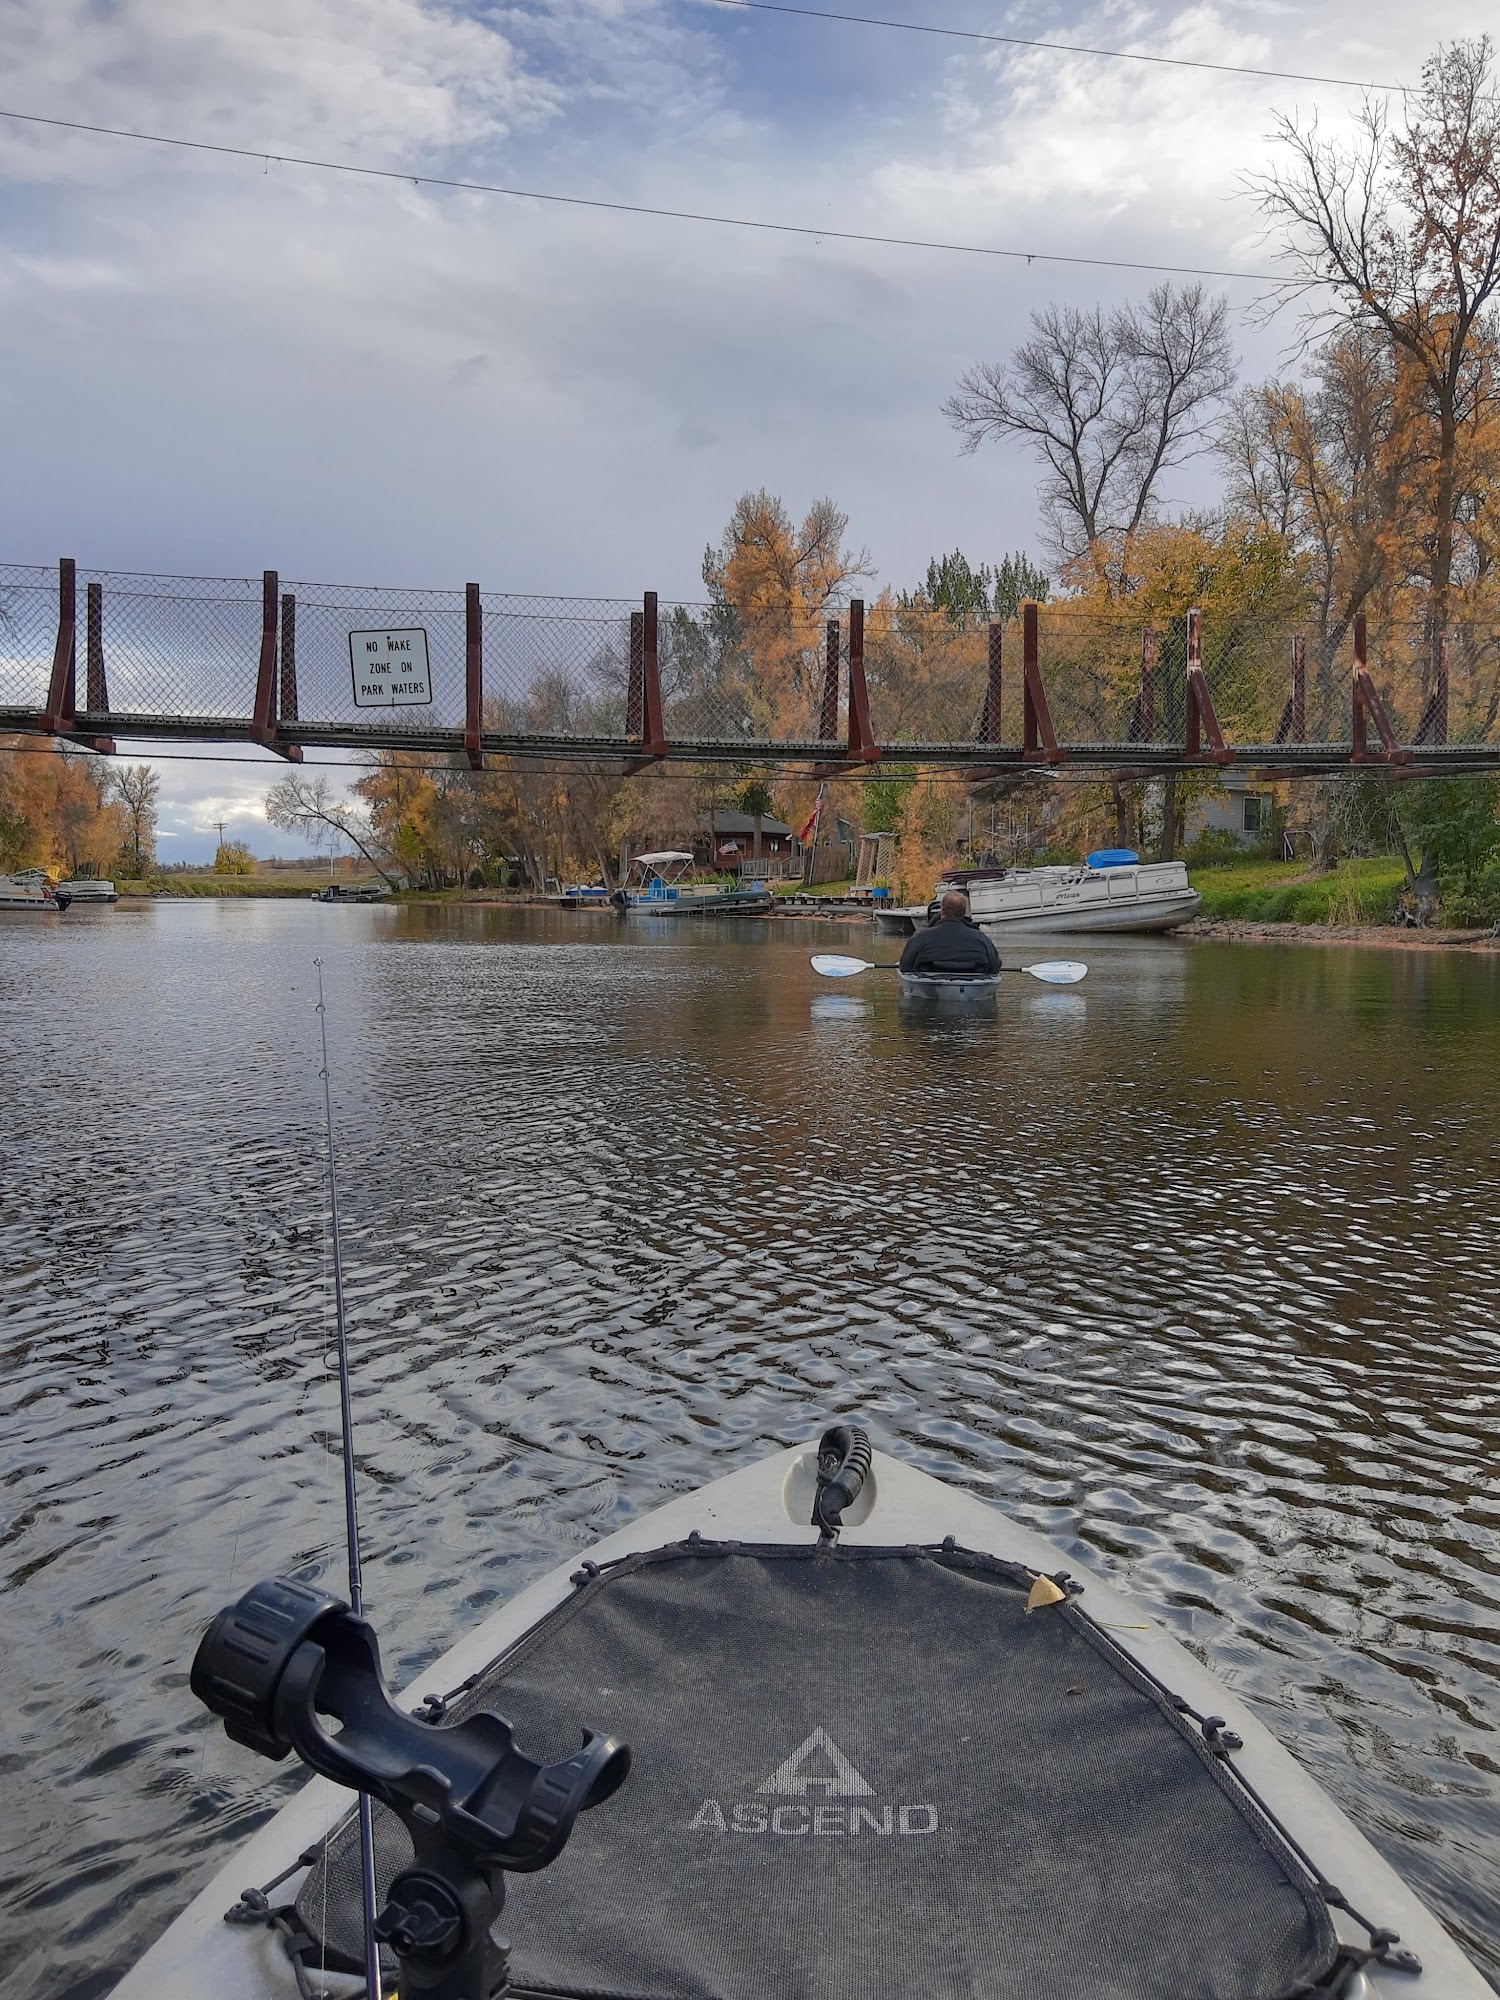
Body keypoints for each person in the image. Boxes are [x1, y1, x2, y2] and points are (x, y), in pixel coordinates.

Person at [897, 888, 1000, 977]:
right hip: (973, 984)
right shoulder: (981, 938)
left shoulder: (920, 937)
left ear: (942, 911)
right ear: (964, 913)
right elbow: (995, 966)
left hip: (928, 984)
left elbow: (905, 966)